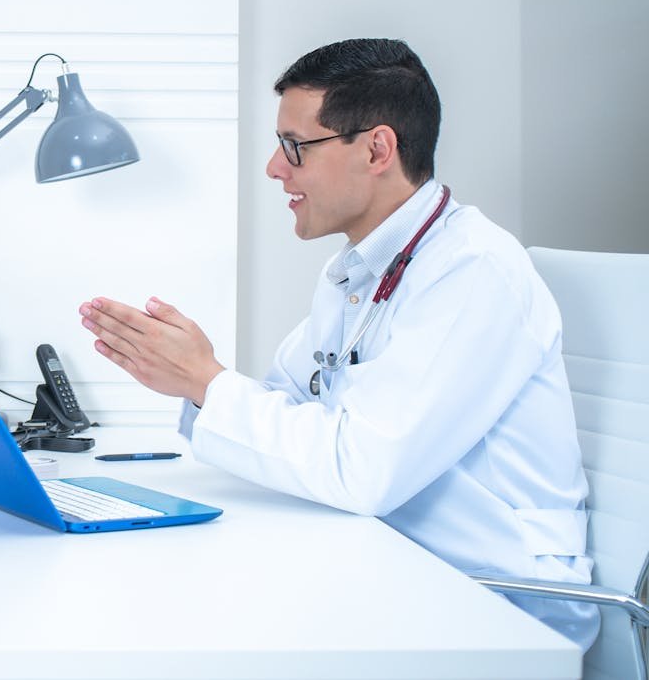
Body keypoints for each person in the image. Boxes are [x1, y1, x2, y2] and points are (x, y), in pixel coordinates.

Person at [77, 39, 596, 648]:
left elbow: (363, 471)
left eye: (294, 146)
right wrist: (190, 381)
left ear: (377, 147)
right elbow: (288, 408)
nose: (275, 167)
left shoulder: (474, 272)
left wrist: (207, 382)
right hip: (391, 560)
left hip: (498, 603)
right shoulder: (358, 272)